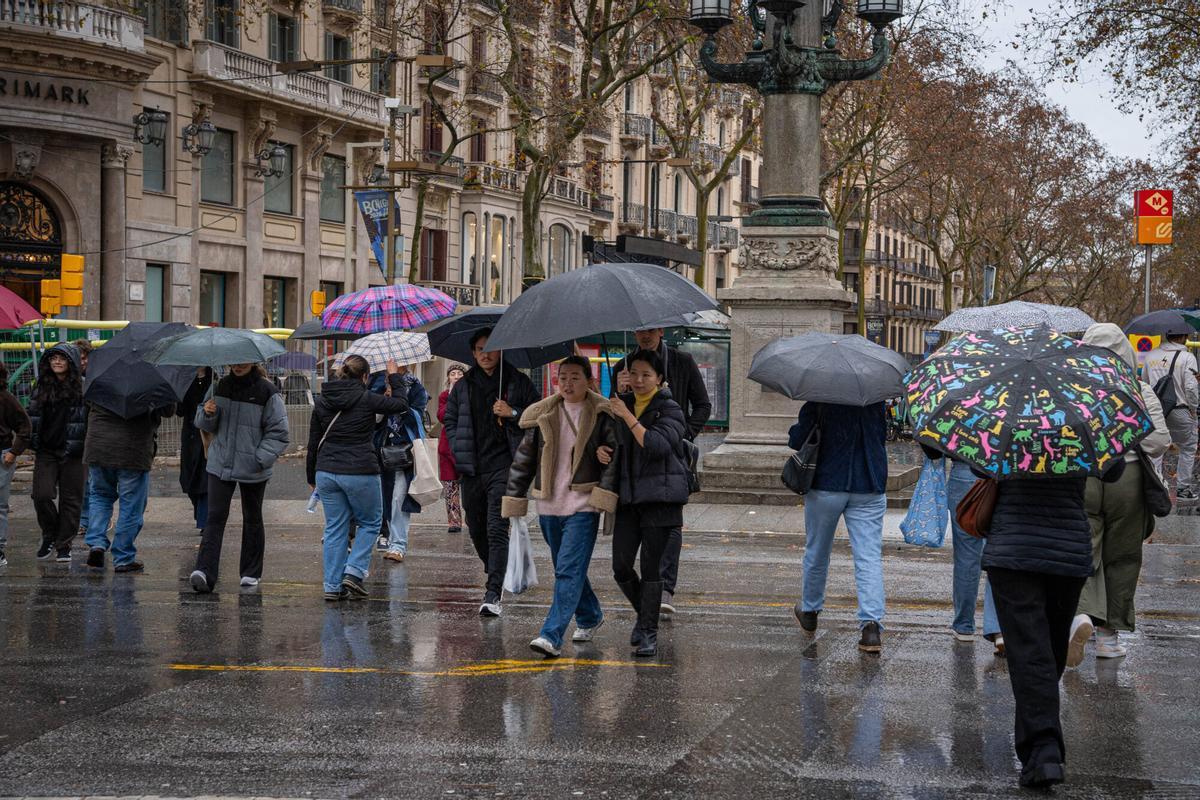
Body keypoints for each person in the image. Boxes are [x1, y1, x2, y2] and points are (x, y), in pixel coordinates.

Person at [502, 355, 620, 658]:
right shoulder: (544, 413)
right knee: (568, 568)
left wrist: (603, 489)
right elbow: (524, 460)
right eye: (562, 377)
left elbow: (615, 456)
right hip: (549, 505)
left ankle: (551, 635)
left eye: (575, 377)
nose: (568, 383)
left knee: (567, 570)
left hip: (584, 504)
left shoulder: (603, 412)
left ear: (589, 380)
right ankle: (591, 615)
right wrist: (515, 499)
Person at [1067, 324, 1171, 664]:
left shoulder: (1074, 388)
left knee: (1085, 550)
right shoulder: (1138, 389)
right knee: (1123, 557)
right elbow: (1158, 442)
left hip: (1083, 478)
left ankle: (1080, 615)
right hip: (1127, 480)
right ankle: (1109, 639)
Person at [611, 328, 712, 615]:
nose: (645, 335)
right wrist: (618, 392)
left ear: (661, 330)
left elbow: (702, 405)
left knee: (669, 527)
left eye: (650, 329)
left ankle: (664, 589)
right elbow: (613, 414)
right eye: (639, 330)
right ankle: (649, 605)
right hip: (633, 464)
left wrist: (684, 435)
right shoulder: (623, 367)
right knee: (625, 558)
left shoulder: (682, 361)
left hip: (670, 459)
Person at [442, 328, 540, 616]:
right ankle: (494, 568)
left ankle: (493, 592)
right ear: (473, 353)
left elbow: (537, 415)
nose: (486, 354)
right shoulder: (464, 385)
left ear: (502, 350)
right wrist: (459, 451)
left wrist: (511, 413)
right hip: (472, 467)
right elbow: (450, 419)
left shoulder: (516, 381)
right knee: (477, 526)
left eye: (492, 348)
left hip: (506, 465)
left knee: (497, 527)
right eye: (480, 349)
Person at [605, 349, 690, 657]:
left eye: (646, 375)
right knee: (621, 566)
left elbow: (655, 445)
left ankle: (649, 633)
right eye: (634, 373)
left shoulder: (670, 409)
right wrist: (603, 451)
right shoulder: (619, 405)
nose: (639, 380)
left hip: (660, 498)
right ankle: (644, 616)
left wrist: (627, 417)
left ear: (659, 379)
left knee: (651, 569)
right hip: (629, 497)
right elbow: (612, 443)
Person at [788, 400, 888, 653]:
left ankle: (810, 610)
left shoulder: (821, 396)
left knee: (817, 551)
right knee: (868, 557)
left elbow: (798, 439)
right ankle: (871, 626)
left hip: (826, 482)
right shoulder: (874, 398)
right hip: (869, 483)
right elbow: (881, 436)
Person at [307, 355, 409, 601]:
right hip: (360, 469)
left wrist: (312, 475)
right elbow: (401, 404)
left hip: (326, 471)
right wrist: (394, 376)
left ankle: (332, 586)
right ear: (365, 377)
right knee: (371, 522)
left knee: (335, 527)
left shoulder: (322, 400)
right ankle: (353, 572)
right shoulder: (366, 399)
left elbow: (313, 442)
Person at [188, 363, 289, 593]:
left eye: (244, 361)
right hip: (220, 463)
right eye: (235, 361)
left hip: (253, 467)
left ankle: (251, 572)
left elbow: (279, 432)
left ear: (253, 361)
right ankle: (204, 571)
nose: (239, 365)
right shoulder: (219, 387)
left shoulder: (268, 391)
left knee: (252, 517)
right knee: (214, 516)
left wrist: (260, 458)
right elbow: (202, 423)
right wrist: (207, 413)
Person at [82, 390, 174, 573]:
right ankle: (123, 557)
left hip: (98, 446)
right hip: (133, 449)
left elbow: (86, 407)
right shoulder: (151, 380)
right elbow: (169, 410)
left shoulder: (103, 374)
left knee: (100, 496)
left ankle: (97, 543)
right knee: (131, 505)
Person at [28, 343, 88, 563]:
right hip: (46, 450)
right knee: (41, 495)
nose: (57, 362)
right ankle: (50, 534)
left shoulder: (83, 387)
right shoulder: (41, 386)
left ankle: (64, 544)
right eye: (53, 358)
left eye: (62, 358)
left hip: (75, 451)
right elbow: (31, 415)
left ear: (71, 361)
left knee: (71, 501)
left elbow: (92, 418)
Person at [946, 458, 1004, 655]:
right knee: (998, 553)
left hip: (965, 473)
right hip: (1001, 472)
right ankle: (998, 628)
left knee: (966, 556)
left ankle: (963, 625)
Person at [372, 364, 429, 563]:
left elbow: (417, 417)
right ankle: (389, 537)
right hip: (382, 450)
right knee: (385, 498)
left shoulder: (416, 388)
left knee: (399, 498)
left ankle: (398, 545)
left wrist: (399, 400)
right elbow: (374, 420)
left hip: (405, 452)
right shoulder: (379, 385)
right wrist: (384, 401)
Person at [1144, 332, 1198, 498]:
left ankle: (1156, 486)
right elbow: (1190, 388)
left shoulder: (1150, 355)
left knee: (1156, 448)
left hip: (1156, 409)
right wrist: (1193, 408)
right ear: (1182, 337)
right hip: (1180, 409)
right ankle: (1183, 489)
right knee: (1188, 447)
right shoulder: (1187, 357)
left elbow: (1144, 383)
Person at [0, 362, 31, 569]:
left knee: (0, 505)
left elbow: (24, 426)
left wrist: (13, 452)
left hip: (2, 454)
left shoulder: (5, 399)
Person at [178, 367, 213, 531]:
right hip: (190, 436)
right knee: (189, 479)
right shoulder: (185, 380)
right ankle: (199, 513)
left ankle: (204, 521)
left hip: (207, 436)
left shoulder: (214, 381)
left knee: (205, 480)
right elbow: (179, 410)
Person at [438, 364, 467, 534]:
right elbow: (442, 416)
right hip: (447, 446)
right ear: (448, 378)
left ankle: (473, 516)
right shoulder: (444, 396)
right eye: (453, 374)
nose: (456, 376)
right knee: (450, 486)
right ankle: (454, 521)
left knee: (470, 485)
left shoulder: (471, 394)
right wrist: (451, 397)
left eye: (460, 373)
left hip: (466, 445)